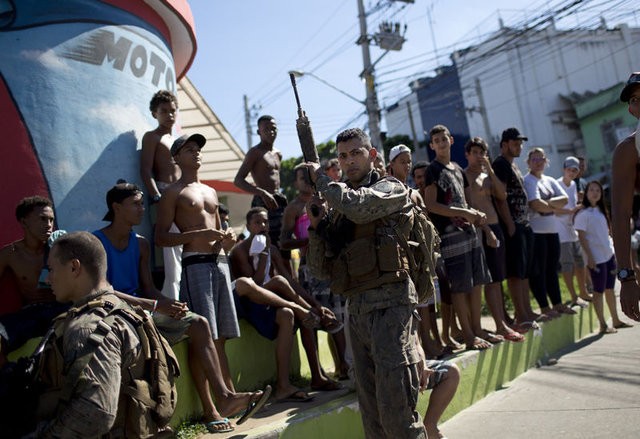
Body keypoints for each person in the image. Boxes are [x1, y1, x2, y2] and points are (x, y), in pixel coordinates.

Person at [95, 182, 270, 433]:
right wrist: (155, 304)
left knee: (198, 322)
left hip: (142, 310)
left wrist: (167, 303)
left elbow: (148, 287)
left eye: (142, 203)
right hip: (114, 313)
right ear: (116, 207)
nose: (142, 209)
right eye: (135, 204)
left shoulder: (141, 243)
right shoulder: (96, 241)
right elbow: (104, 292)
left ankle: (225, 397)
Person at [306, 127, 426, 438]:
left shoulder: (390, 189)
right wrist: (317, 227)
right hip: (357, 310)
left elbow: (361, 207)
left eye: (356, 153)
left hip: (392, 305)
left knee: (397, 410)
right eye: (343, 156)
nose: (349, 161)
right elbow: (319, 270)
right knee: (372, 417)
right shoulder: (339, 206)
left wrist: (322, 181)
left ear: (372, 155)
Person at [33, 232, 143, 436]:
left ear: (74, 267)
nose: (48, 279)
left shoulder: (87, 327)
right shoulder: (123, 309)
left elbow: (96, 414)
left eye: (52, 269)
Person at [156, 133, 241, 393]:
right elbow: (160, 237)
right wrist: (197, 236)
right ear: (177, 158)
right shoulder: (171, 192)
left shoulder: (212, 191)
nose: (196, 153)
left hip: (219, 263)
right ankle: (211, 405)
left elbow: (216, 233)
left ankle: (232, 396)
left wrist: (228, 240)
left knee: (221, 338)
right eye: (189, 149)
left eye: (198, 149)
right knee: (202, 336)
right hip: (194, 266)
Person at [230, 207, 342, 401]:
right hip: (253, 303)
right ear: (248, 226)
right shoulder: (240, 251)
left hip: (275, 300)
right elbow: (254, 285)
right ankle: (313, 314)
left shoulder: (272, 249)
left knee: (293, 314)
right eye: (257, 222)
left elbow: (290, 281)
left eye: (265, 222)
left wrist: (315, 304)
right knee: (280, 284)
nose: (263, 226)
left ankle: (314, 376)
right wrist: (264, 255)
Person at [423, 125, 493, 351]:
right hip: (451, 237)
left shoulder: (458, 170)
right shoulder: (432, 170)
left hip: (471, 233)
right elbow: (431, 205)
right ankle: (469, 335)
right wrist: (462, 213)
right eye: (436, 140)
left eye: (444, 138)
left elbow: (469, 202)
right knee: (460, 287)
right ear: (432, 145)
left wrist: (486, 228)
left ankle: (478, 328)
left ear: (451, 140)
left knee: (477, 283)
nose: (441, 143)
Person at [280, 165, 349, 380]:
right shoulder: (293, 208)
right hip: (309, 268)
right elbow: (283, 242)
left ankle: (345, 366)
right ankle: (318, 373)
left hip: (332, 264)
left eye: (311, 178)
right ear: (296, 183)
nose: (308, 182)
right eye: (303, 179)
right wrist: (309, 239)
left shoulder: (328, 199)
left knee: (339, 317)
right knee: (314, 318)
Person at [464, 137, 524, 342]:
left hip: (496, 227)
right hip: (480, 230)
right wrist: (485, 230)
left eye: (482, 153)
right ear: (467, 154)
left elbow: (502, 195)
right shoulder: (464, 176)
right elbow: (469, 205)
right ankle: (498, 324)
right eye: (475, 152)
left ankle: (503, 320)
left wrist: (489, 169)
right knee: (487, 280)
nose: (479, 156)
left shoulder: (487, 175)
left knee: (498, 278)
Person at [0, 196, 68, 367]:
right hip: (30, 313)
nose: (49, 224)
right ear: (24, 222)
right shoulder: (10, 253)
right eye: (42, 219)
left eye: (51, 219)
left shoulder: (59, 248)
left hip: (60, 310)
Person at [492, 127, 540, 332]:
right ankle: (521, 315)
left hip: (524, 223)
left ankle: (527, 311)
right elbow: (499, 196)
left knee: (524, 272)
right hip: (512, 226)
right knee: (515, 273)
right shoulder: (501, 164)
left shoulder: (514, 165)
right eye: (514, 143)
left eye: (520, 143)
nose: (518, 146)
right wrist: (510, 224)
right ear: (504, 145)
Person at [140, 90, 182, 300]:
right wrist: (157, 196)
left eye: (173, 111)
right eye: (164, 111)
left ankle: (184, 294)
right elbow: (146, 169)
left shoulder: (178, 140)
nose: (169, 115)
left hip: (182, 195)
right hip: (164, 194)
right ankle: (171, 298)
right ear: (154, 113)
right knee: (169, 250)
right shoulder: (152, 137)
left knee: (184, 246)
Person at [523, 148, 575, 318]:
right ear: (528, 162)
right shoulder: (528, 181)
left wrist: (547, 204)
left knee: (552, 269)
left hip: (553, 230)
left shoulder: (550, 180)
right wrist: (553, 205)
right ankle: (544, 306)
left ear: (546, 161)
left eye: (541, 159)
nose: (538, 162)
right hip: (536, 232)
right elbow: (535, 204)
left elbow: (565, 200)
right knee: (539, 270)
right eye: (534, 159)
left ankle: (558, 303)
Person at [575, 181, 631, 333]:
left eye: (597, 190)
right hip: (596, 259)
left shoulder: (602, 212)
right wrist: (590, 258)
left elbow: (608, 234)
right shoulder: (583, 214)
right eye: (591, 190)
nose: (595, 193)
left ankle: (616, 320)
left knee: (610, 289)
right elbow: (582, 238)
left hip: (608, 256)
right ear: (586, 194)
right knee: (598, 291)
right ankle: (602, 325)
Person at [234, 115, 290, 265]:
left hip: (278, 200)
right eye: (266, 129)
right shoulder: (255, 152)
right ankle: (265, 280)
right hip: (263, 201)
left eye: (273, 128)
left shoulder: (278, 153)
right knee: (264, 243)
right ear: (259, 132)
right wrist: (261, 192)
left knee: (283, 242)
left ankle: (288, 281)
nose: (270, 132)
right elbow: (238, 180)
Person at [612, 72, 640, 320]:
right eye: (634, 98)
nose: (638, 102)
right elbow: (621, 215)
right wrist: (627, 277)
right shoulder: (629, 151)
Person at [556, 156, 592, 307]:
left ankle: (583, 291)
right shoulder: (556, 184)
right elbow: (553, 209)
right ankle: (573, 295)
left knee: (580, 261)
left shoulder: (573, 186)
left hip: (573, 229)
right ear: (564, 169)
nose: (572, 172)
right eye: (569, 169)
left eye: (575, 170)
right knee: (567, 264)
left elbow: (573, 206)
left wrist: (577, 208)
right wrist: (572, 210)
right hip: (560, 230)